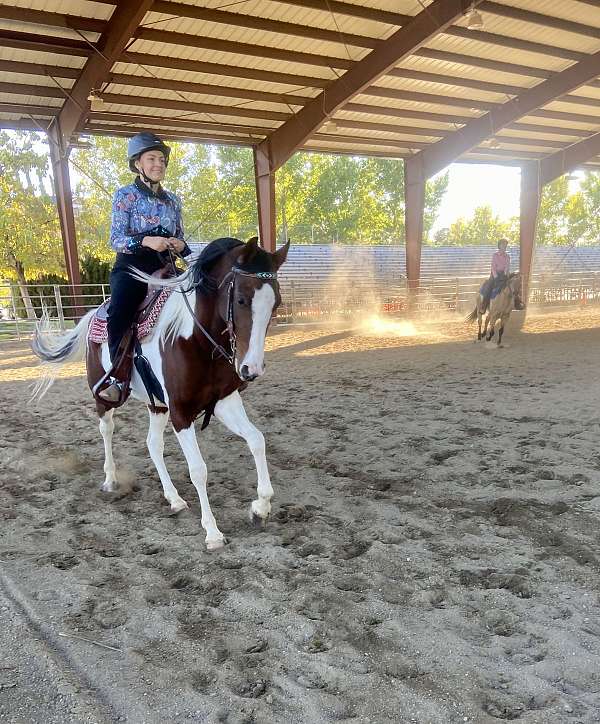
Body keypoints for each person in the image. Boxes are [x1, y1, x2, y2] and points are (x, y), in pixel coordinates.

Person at [98, 132, 192, 402]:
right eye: (151, 158)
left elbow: (182, 239)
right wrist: (146, 240)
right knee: (120, 310)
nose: (158, 164)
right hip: (132, 267)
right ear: (138, 164)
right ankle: (117, 376)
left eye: (161, 159)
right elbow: (116, 240)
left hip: (167, 267)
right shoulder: (124, 196)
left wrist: (179, 244)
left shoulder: (173, 200)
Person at [480, 238, 523, 311]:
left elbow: (507, 267)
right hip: (495, 275)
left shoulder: (507, 256)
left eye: (505, 245)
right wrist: (496, 277)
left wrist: (506, 275)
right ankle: (483, 305)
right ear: (499, 246)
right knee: (489, 287)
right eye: (503, 245)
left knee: (513, 287)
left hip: (504, 275)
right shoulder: (495, 255)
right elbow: (493, 267)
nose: (504, 246)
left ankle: (517, 304)